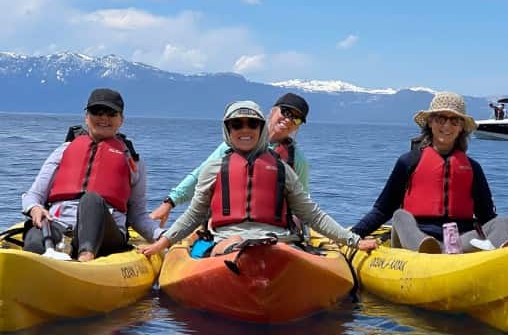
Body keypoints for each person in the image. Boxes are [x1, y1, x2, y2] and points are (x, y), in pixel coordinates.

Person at [139, 101, 377, 257]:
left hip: (278, 241)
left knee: (278, 249)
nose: (245, 129)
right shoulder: (213, 167)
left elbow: (312, 214)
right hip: (228, 240)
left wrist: (353, 241)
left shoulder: (284, 169)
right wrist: (163, 242)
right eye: (237, 124)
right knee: (232, 244)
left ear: (261, 128)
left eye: (252, 124)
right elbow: (194, 215)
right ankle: (241, 256)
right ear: (228, 130)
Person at [352, 91, 508, 253]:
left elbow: (487, 216)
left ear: (461, 127)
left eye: (454, 121)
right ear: (430, 122)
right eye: (440, 119)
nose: (447, 126)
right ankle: (428, 248)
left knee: (503, 222)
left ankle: (506, 253)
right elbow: (382, 210)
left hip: (459, 242)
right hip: (415, 239)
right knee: (400, 216)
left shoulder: (473, 168)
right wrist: (352, 236)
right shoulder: (408, 162)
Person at [21, 88, 161, 261]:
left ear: (121, 120)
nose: (103, 118)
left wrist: (161, 237)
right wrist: (34, 208)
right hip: (60, 225)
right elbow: (33, 196)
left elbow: (137, 215)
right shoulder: (63, 151)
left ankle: (85, 259)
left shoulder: (133, 161)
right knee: (34, 239)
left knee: (91, 199)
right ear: (87, 117)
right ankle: (36, 266)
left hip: (107, 235)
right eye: (97, 112)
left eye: (111, 113)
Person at [150, 93, 311, 227]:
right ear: (273, 111)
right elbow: (200, 176)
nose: (289, 120)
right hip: (227, 227)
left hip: (274, 229)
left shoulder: (297, 160)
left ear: (298, 126)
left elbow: (302, 203)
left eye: (296, 119)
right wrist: (169, 203)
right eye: (286, 112)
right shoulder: (237, 142)